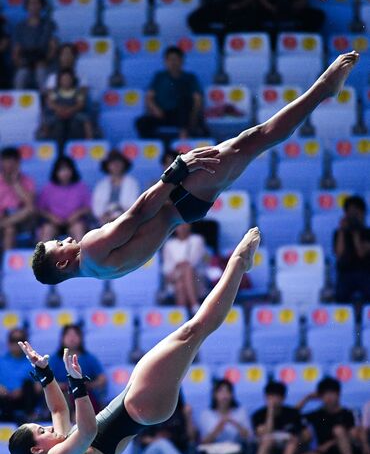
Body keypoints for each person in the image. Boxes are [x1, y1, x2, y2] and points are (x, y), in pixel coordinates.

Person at [31, 52, 359, 286]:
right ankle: (324, 89)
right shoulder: (90, 248)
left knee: (255, 141)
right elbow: (136, 215)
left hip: (184, 209)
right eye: (59, 244)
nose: (64, 238)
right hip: (180, 197)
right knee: (255, 139)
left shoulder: (96, 271)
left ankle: (322, 92)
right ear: (62, 262)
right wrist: (176, 169)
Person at [9, 227, 261, 454]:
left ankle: (237, 265)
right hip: (139, 405)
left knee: (194, 332)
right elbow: (87, 431)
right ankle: (238, 264)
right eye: (41, 430)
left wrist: (45, 374)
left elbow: (59, 411)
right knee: (194, 330)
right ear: (37, 449)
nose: (48, 427)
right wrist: (77, 384)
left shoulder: (56, 447)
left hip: (141, 405)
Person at [297, 377, 370, 454]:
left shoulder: (348, 413)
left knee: (338, 430)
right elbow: (292, 415)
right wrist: (307, 398)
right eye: (324, 394)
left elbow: (355, 433)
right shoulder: (317, 415)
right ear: (320, 397)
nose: (329, 397)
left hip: (350, 451)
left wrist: (329, 444)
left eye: (332, 393)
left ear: (338, 394)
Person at [136, 46, 206, 139]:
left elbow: (197, 99)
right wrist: (155, 109)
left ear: (182, 61)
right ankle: (158, 145)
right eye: (170, 59)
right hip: (162, 114)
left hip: (183, 115)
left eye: (176, 59)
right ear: (165, 61)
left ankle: (184, 136)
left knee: (184, 103)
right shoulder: (159, 77)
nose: (173, 63)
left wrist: (193, 117)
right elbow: (149, 97)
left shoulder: (189, 78)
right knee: (142, 123)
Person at [135, 392, 200, 454]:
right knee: (162, 442)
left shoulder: (180, 413)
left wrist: (188, 417)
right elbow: (140, 438)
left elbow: (191, 438)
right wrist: (156, 440)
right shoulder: (149, 412)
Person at [47, 324, 107, 413]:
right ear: (62, 339)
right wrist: (61, 386)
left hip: (86, 393)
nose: (72, 338)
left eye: (75, 335)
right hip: (63, 395)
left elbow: (102, 379)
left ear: (81, 338)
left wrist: (89, 385)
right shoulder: (54, 359)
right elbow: (46, 382)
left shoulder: (89, 358)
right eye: (68, 335)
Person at [252, 381, 302, 454]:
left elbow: (301, 435)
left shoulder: (293, 413)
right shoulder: (258, 414)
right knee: (267, 441)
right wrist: (270, 411)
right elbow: (265, 434)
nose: (274, 400)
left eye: (277, 396)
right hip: (267, 446)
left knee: (293, 444)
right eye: (270, 397)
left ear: (283, 398)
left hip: (288, 447)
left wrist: (292, 437)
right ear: (265, 398)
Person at [198, 379, 250, 454]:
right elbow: (204, 442)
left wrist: (235, 423)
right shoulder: (206, 414)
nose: (224, 395)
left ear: (232, 395)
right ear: (214, 395)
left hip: (234, 448)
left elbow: (248, 437)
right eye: (221, 391)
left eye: (227, 391)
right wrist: (219, 427)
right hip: (212, 449)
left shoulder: (240, 412)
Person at [37, 156, 91, 243]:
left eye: (68, 169)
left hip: (75, 222)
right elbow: (40, 209)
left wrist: (77, 214)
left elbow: (88, 207)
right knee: (47, 231)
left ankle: (83, 256)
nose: (65, 173)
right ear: (56, 172)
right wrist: (52, 217)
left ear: (73, 171)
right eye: (61, 170)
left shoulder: (81, 187)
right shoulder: (48, 188)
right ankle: (42, 256)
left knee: (78, 229)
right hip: (53, 223)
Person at [12, 0, 58, 90]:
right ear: (26, 6)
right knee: (21, 76)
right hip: (26, 60)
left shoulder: (49, 24)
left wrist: (46, 61)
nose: (34, 6)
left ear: (42, 5)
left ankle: (45, 102)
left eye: (37, 3)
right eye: (31, 3)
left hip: (44, 59)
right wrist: (20, 63)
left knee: (41, 73)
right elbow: (16, 50)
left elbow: (53, 47)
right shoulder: (20, 26)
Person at [162, 223, 207, 314]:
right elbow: (167, 268)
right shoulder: (169, 245)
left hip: (196, 278)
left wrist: (179, 266)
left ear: (190, 226)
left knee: (182, 282)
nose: (182, 228)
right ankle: (194, 306)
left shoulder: (197, 240)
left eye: (185, 225)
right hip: (175, 277)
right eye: (179, 225)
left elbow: (194, 261)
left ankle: (182, 315)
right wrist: (178, 267)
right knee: (181, 279)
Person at [43, 69, 93, 148]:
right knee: (47, 121)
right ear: (59, 81)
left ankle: (89, 142)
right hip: (58, 113)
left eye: (68, 79)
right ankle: (45, 142)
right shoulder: (55, 91)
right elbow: (50, 103)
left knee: (86, 120)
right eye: (64, 79)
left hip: (74, 113)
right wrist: (59, 109)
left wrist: (70, 110)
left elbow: (81, 104)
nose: (66, 81)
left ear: (72, 80)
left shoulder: (78, 91)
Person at [333, 195, 370, 303]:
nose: (352, 216)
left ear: (362, 213)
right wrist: (341, 231)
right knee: (340, 296)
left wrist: (356, 235)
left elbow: (361, 253)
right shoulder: (338, 233)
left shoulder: (368, 233)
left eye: (356, 213)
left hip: (365, 273)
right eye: (349, 213)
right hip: (345, 273)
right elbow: (338, 254)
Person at [0, 329, 41, 423]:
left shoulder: (33, 361)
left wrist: (21, 390)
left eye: (20, 340)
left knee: (28, 384)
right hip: (4, 398)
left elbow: (38, 387)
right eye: (13, 340)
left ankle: (29, 416)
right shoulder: (1, 361)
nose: (17, 344)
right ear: (8, 343)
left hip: (25, 399)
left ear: (26, 343)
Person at [256, 0, 325, 48]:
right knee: (254, 17)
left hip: (293, 11)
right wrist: (273, 9)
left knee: (316, 16)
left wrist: (292, 8)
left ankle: (308, 44)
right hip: (272, 11)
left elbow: (303, 0)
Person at [0, 146, 35, 251]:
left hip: (22, 220)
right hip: (2, 215)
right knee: (9, 229)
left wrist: (16, 183)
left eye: (13, 161)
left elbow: (30, 205)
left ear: (18, 163)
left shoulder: (27, 181)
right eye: (6, 161)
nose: (10, 165)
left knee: (29, 209)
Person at [92, 150, 140, 225]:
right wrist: (104, 215)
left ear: (124, 164)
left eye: (118, 162)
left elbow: (133, 204)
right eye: (112, 163)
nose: (116, 165)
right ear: (107, 166)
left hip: (126, 217)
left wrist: (120, 214)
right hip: (105, 220)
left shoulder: (132, 183)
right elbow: (97, 207)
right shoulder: (101, 185)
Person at [188, 0, 257, 39]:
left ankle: (224, 41)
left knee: (236, 22)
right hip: (215, 5)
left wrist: (240, 5)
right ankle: (214, 37)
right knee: (193, 19)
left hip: (236, 7)